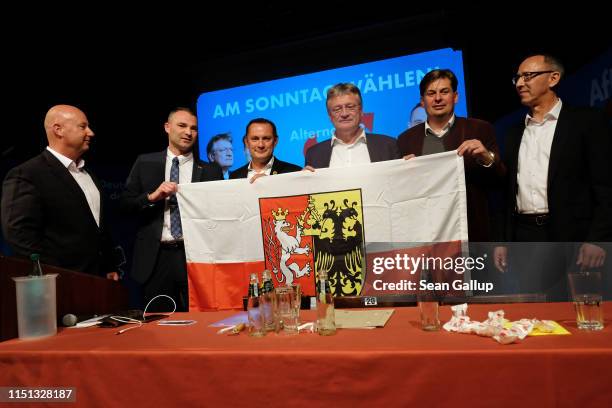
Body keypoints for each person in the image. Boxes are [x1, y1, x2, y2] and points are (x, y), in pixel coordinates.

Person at [494, 54, 612, 299]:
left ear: (553, 78)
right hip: (527, 238)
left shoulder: (586, 121)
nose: (519, 83)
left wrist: (597, 240)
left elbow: (605, 185)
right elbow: (508, 193)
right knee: (538, 319)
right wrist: (503, 241)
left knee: (582, 316)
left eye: (528, 76)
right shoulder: (514, 132)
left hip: (575, 238)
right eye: (517, 78)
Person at [120, 107, 223, 311]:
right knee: (157, 323)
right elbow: (125, 205)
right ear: (167, 127)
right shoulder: (145, 163)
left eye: (193, 128)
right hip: (156, 258)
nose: (188, 132)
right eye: (182, 126)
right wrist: (151, 197)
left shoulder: (211, 169)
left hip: (195, 255)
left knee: (200, 319)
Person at [1, 105, 118, 279]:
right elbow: (18, 233)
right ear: (58, 130)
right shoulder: (27, 174)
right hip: (57, 282)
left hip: (96, 282)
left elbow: (97, 229)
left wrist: (109, 265)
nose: (91, 132)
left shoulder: (88, 174)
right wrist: (51, 272)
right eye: (82, 126)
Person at [397, 69, 505, 242]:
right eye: (431, 93)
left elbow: (500, 182)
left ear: (455, 97)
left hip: (472, 233)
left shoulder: (480, 129)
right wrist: (402, 173)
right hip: (426, 236)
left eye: (444, 92)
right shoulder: (405, 140)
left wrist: (486, 157)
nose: (438, 98)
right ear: (423, 101)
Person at [305, 83, 399, 168]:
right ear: (330, 116)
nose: (344, 114)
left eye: (350, 107)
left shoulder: (388, 145)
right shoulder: (314, 154)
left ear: (361, 111)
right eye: (337, 109)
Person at [230, 118, 301, 182]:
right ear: (246, 142)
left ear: (275, 141)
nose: (260, 145)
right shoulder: (234, 177)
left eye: (266, 138)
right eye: (255, 139)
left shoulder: (294, 172)